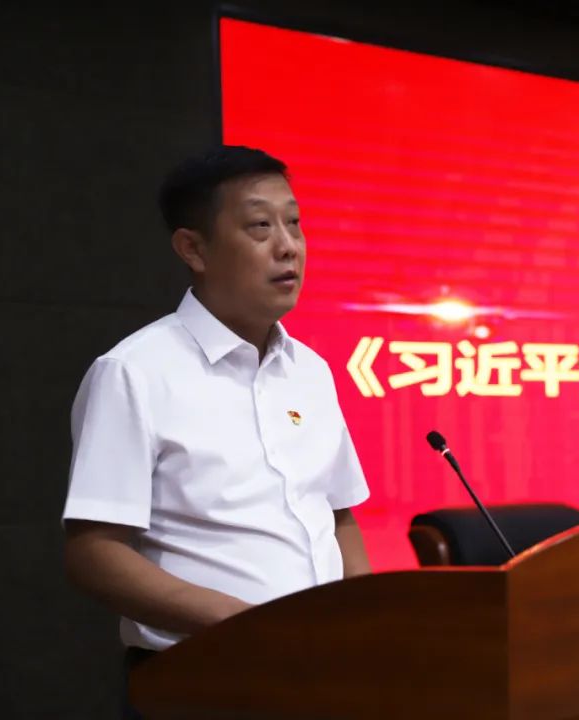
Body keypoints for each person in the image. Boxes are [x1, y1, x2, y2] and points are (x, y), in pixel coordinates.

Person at [62, 146, 371, 714]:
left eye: (294, 223)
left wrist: (359, 624)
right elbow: (94, 552)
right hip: (201, 677)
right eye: (260, 226)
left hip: (322, 672)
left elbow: (338, 516)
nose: (288, 246)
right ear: (194, 249)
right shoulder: (134, 372)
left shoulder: (311, 370)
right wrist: (244, 624)